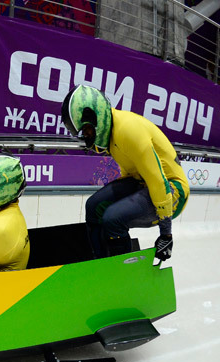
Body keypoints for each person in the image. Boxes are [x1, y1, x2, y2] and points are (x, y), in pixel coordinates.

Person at [61, 84, 189, 260]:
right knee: (93, 206)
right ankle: (99, 261)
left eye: (87, 130)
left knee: (112, 219)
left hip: (172, 190)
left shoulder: (128, 130)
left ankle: (123, 271)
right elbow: (129, 174)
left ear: (96, 116)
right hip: (143, 182)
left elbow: (158, 180)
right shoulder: (112, 134)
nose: (87, 137)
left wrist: (166, 234)